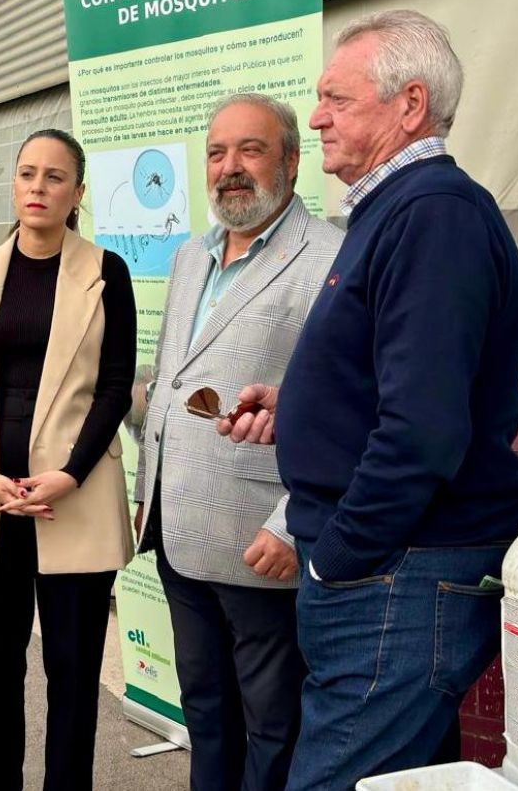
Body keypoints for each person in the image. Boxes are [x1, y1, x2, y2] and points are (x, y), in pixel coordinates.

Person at [220, 10, 518, 788]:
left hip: (396, 574)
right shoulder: (396, 211)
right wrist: (296, 406)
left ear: (410, 104)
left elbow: (423, 429)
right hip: (393, 571)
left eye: (337, 98)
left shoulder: (434, 215)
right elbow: (395, 379)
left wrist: (340, 557)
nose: (317, 116)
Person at [133, 93, 343, 791]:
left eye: (249, 151)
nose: (230, 169)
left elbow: (344, 406)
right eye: (217, 153)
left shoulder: (329, 260)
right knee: (205, 710)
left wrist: (292, 524)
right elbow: (173, 376)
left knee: (273, 722)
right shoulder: (193, 254)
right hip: (178, 530)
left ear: (290, 158)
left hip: (262, 542)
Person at [0, 128, 137, 791]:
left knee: (73, 677)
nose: (37, 187)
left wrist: (72, 473)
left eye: (54, 177)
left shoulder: (106, 273)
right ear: (13, 183)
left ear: (77, 193)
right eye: (27, 174)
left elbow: (115, 384)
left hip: (70, 504)